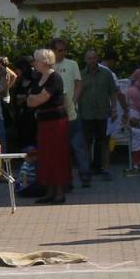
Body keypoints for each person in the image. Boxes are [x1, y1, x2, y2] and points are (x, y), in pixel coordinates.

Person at [24, 49, 70, 205]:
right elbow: (30, 100)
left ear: (43, 61)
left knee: (56, 155)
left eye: (36, 60)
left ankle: (59, 192)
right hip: (44, 121)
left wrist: (33, 99)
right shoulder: (39, 77)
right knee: (45, 156)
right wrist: (33, 99)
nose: (34, 63)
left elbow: (38, 99)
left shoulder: (54, 77)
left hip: (56, 123)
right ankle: (49, 191)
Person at [78, 50, 124, 179]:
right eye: (89, 58)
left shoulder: (106, 73)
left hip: (103, 113)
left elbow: (113, 92)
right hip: (86, 113)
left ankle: (106, 169)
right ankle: (86, 170)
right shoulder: (81, 75)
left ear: (97, 58)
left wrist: (114, 108)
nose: (92, 61)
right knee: (86, 143)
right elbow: (77, 93)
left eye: (94, 58)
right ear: (85, 60)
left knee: (104, 142)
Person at [50, 39, 88, 187]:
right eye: (60, 50)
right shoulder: (48, 66)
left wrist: (74, 99)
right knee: (61, 149)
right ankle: (66, 179)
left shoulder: (72, 64)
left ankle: (85, 175)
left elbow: (79, 83)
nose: (63, 53)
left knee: (77, 145)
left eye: (64, 50)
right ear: (52, 50)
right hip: (56, 114)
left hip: (71, 113)